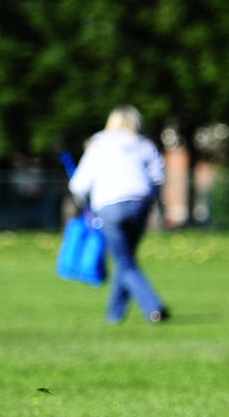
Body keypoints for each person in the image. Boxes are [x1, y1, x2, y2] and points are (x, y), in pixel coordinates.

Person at [70, 106, 170, 323]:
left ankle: (154, 308)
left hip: (109, 206)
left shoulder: (98, 145)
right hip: (140, 204)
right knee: (126, 259)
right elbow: (158, 178)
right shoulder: (144, 145)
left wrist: (85, 203)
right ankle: (115, 314)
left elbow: (79, 184)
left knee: (124, 261)